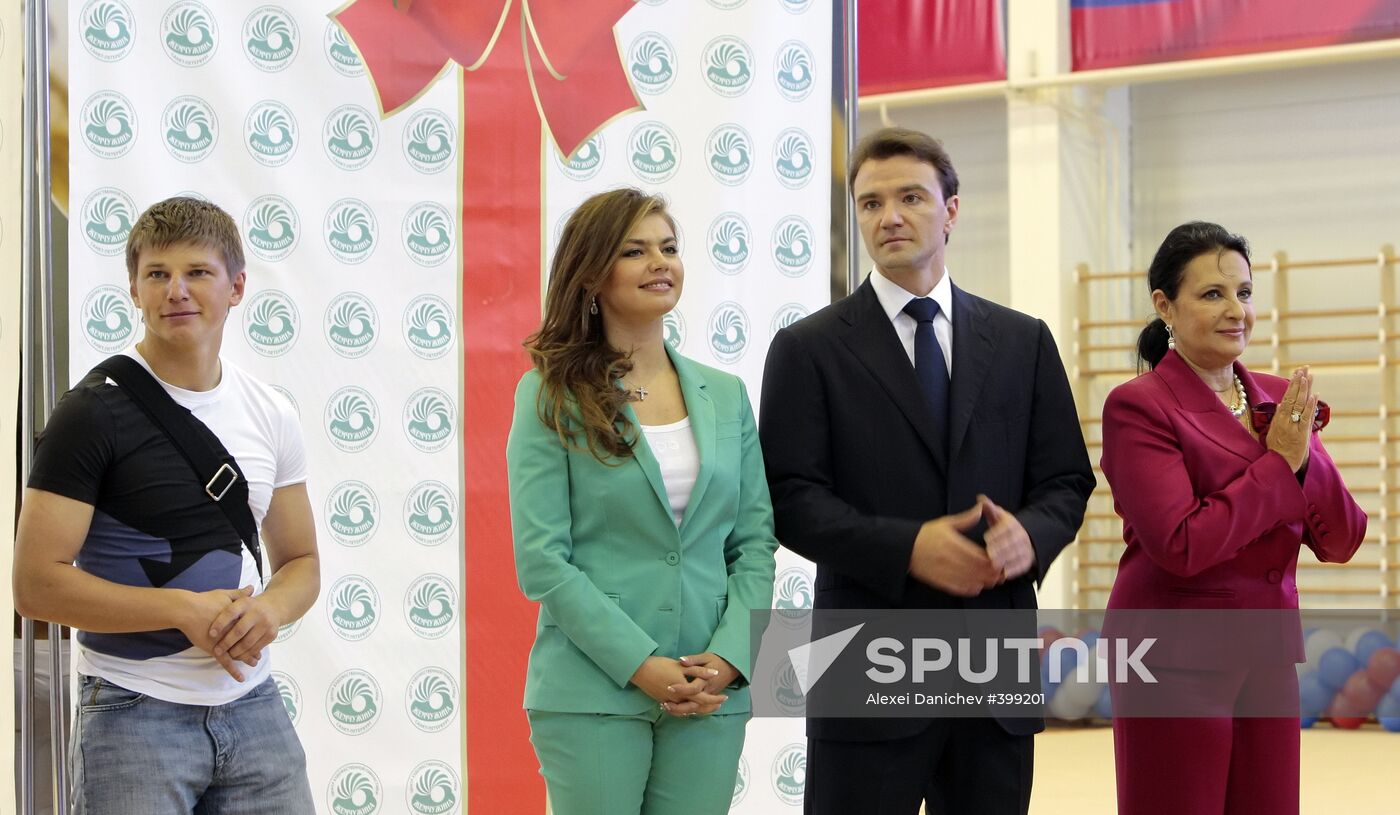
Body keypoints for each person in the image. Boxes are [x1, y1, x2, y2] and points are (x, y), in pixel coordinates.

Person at [760, 127, 1095, 814]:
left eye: (911, 196)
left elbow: (1065, 479)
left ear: (951, 210)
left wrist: (1030, 537)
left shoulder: (1022, 341)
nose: (889, 216)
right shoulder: (808, 349)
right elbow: (790, 497)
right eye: (870, 202)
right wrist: (909, 547)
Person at [12, 196, 319, 813]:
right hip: (133, 711)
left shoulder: (271, 412)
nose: (176, 290)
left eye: (197, 273)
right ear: (133, 289)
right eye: (157, 274)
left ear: (235, 288)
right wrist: (179, 609)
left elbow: (302, 560)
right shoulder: (89, 413)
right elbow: (34, 587)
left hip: (254, 707)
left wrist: (271, 610)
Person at [506, 188, 779, 815]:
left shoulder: (726, 393)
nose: (661, 262)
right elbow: (544, 560)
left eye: (669, 247)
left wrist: (733, 657)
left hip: (712, 692)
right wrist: (641, 665)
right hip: (591, 692)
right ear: (593, 275)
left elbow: (754, 544)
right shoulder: (549, 396)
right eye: (636, 251)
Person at [1100, 221, 1366, 814]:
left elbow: (1344, 537)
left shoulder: (1278, 397)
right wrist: (1280, 464)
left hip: (1268, 653)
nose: (1235, 311)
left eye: (1243, 293)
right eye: (1212, 294)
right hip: (1168, 655)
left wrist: (1299, 462)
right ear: (1165, 305)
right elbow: (1180, 543)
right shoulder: (1137, 405)